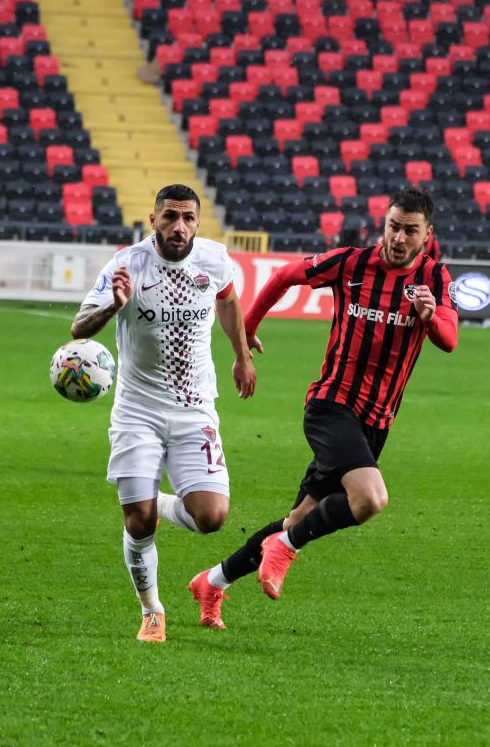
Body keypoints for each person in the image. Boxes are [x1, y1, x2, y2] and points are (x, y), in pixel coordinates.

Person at [187, 186, 458, 629]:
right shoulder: (351, 263)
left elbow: (449, 340)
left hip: (375, 423)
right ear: (383, 225)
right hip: (331, 406)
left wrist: (430, 317)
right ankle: (287, 548)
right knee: (370, 499)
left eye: (410, 231)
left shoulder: (434, 279)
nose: (399, 237)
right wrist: (247, 335)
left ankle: (212, 581)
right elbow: (283, 277)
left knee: (299, 518)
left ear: (426, 236)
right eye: (394, 226)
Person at [70, 183, 256, 643]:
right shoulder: (126, 264)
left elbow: (229, 301)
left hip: (196, 408)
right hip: (138, 411)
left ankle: (159, 506)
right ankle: (152, 610)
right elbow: (78, 328)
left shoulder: (213, 259)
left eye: (188, 217)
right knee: (137, 522)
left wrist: (242, 355)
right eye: (169, 216)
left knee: (211, 517)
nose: (179, 226)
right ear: (153, 219)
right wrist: (114, 305)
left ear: (198, 221)